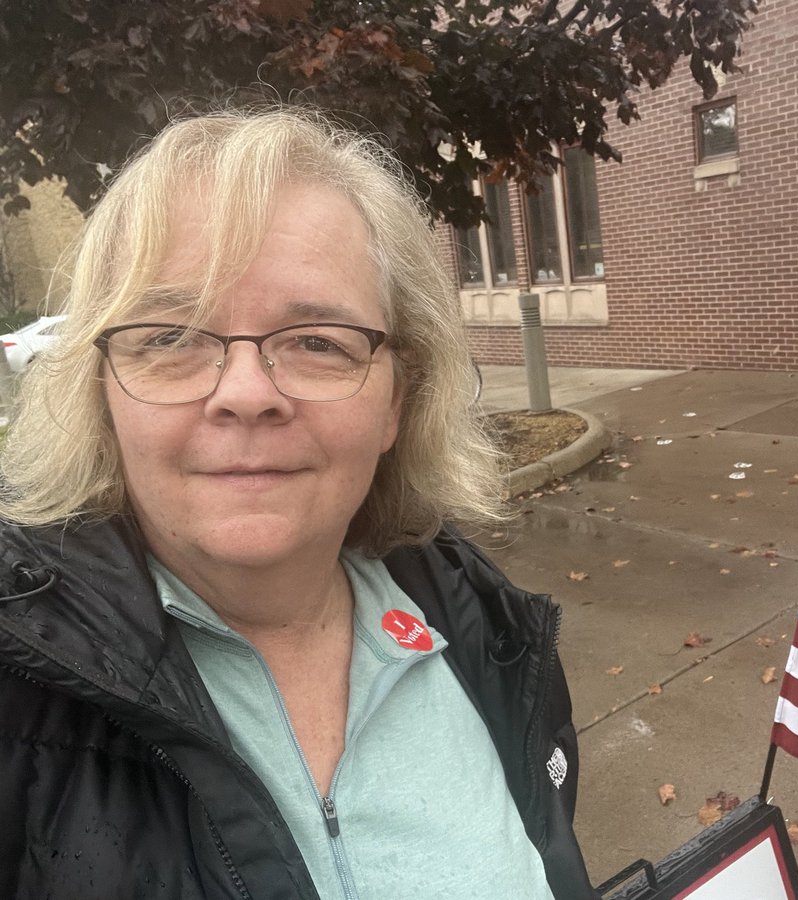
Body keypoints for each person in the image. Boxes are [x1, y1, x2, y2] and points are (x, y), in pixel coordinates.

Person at [0, 108, 595, 899]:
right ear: (101, 390)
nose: (245, 396)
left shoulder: (494, 633)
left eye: (317, 340)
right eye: (171, 338)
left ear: (395, 402)